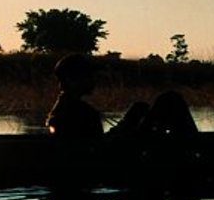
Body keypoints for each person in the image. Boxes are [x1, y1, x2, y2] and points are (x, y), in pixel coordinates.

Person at [46, 53, 198, 140]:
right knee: (170, 99)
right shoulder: (71, 111)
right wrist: (127, 127)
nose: (93, 81)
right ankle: (195, 148)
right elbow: (98, 149)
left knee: (140, 107)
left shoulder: (71, 107)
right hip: (115, 154)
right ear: (71, 80)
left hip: (112, 149)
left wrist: (128, 122)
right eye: (88, 76)